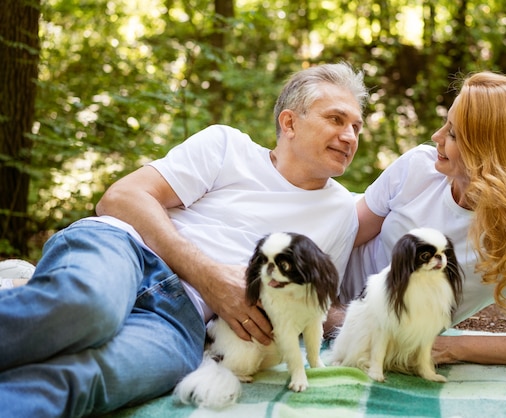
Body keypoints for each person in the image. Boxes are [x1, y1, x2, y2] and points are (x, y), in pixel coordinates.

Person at [0, 62, 368, 417]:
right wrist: (208, 276)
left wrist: (386, 326)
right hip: (126, 250)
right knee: (87, 309)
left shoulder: (339, 213)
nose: (349, 136)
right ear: (289, 122)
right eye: (336, 119)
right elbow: (121, 198)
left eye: (356, 126)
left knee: (86, 379)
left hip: (181, 324)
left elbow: (315, 305)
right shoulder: (227, 147)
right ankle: (26, 283)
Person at [335, 71, 506, 367]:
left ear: (490, 153)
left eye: (453, 134)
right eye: (446, 124)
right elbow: (342, 237)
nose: (436, 137)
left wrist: (454, 347)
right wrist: (321, 306)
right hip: (329, 284)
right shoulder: (418, 168)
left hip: (368, 327)